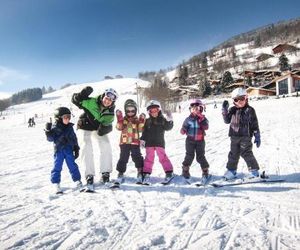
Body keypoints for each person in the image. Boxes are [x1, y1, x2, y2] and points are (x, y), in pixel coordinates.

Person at [71, 86, 117, 191]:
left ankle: (105, 174)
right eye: (107, 97)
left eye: (111, 100)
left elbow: (107, 123)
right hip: (85, 125)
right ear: (103, 96)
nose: (108, 101)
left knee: (106, 144)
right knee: (86, 146)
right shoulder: (91, 101)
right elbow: (75, 100)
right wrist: (80, 95)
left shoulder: (110, 112)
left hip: (97, 128)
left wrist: (106, 128)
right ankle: (89, 176)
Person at [222, 87, 261, 180]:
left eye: (242, 99)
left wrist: (257, 135)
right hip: (234, 136)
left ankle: (254, 171)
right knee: (233, 154)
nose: (239, 101)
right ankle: (231, 170)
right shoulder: (232, 110)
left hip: (245, 136)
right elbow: (227, 121)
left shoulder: (250, 110)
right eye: (236, 99)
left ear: (246, 98)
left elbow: (254, 123)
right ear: (233, 101)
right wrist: (224, 111)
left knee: (246, 153)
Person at [44, 107, 82, 194]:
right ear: (59, 118)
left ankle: (77, 180)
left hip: (69, 150)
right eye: (65, 117)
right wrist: (48, 131)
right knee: (57, 167)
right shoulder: (55, 127)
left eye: (69, 117)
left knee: (73, 166)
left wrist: (76, 148)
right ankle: (56, 183)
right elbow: (50, 139)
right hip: (59, 151)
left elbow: (74, 138)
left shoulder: (70, 127)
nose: (68, 119)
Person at [140, 100, 174, 185]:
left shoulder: (162, 119)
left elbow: (168, 127)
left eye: (156, 110)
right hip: (149, 143)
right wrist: (142, 139)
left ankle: (169, 172)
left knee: (162, 157)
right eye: (152, 111)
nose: (154, 112)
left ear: (159, 110)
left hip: (159, 143)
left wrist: (170, 121)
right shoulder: (147, 121)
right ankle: (146, 173)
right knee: (149, 158)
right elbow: (144, 132)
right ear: (149, 112)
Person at [115, 99, 146, 183]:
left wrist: (142, 119)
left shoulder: (137, 120)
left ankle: (140, 171)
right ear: (125, 111)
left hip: (135, 142)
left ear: (135, 110)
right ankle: (120, 172)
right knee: (123, 157)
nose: (130, 112)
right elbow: (119, 127)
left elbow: (140, 129)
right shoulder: (123, 120)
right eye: (128, 111)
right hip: (124, 142)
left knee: (137, 156)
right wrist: (119, 118)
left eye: (132, 110)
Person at [180, 99, 210, 182]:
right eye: (193, 109)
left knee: (200, 156)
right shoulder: (188, 119)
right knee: (189, 155)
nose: (195, 110)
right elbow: (184, 127)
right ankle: (185, 170)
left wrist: (201, 119)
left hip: (200, 141)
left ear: (201, 109)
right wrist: (183, 130)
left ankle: (205, 170)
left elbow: (206, 127)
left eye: (197, 109)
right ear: (190, 110)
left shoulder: (203, 118)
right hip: (190, 141)